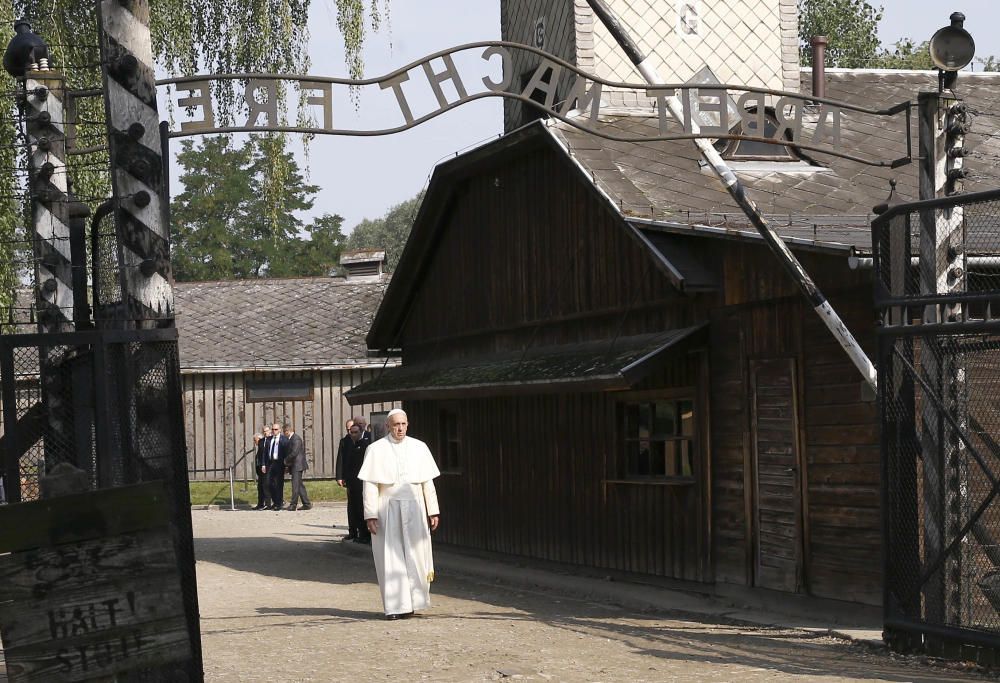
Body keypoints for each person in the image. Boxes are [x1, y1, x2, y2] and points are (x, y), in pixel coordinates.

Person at [359, 409, 441, 620]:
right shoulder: (376, 449)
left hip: (415, 507)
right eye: (396, 424)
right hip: (388, 508)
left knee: (416, 556)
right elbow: (370, 485)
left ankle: (413, 602)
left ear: (408, 424)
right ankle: (396, 606)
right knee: (391, 558)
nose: (400, 428)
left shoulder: (419, 448)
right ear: (388, 426)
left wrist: (433, 510)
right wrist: (370, 514)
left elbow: (427, 483)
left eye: (403, 424)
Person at [336, 416, 371, 543]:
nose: (354, 433)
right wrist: (340, 476)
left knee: (362, 507)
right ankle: (353, 532)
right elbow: (342, 459)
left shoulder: (368, 440)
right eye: (351, 431)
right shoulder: (346, 440)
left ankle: (364, 534)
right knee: (352, 507)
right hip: (351, 480)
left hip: (362, 480)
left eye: (361, 425)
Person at [284, 421, 311, 511]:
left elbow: (294, 453)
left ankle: (293, 505)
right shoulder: (292, 439)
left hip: (297, 465)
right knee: (299, 485)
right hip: (294, 465)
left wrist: (285, 461)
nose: (284, 434)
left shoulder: (296, 439)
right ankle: (306, 503)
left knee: (295, 485)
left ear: (288, 431)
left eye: (285, 432)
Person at [266, 421, 287, 510]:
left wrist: (286, 465)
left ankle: (279, 503)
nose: (274, 431)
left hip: (279, 463)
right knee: (268, 483)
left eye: (276, 429)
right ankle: (275, 501)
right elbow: (265, 453)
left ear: (279, 430)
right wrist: (264, 464)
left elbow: (286, 452)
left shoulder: (283, 439)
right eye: (273, 429)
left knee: (279, 483)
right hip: (271, 463)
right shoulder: (269, 439)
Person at [252, 426, 272, 510]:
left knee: (266, 486)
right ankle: (260, 503)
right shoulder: (261, 444)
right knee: (260, 487)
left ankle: (268, 504)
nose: (255, 442)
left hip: (266, 468)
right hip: (260, 469)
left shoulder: (266, 443)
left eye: (255, 440)